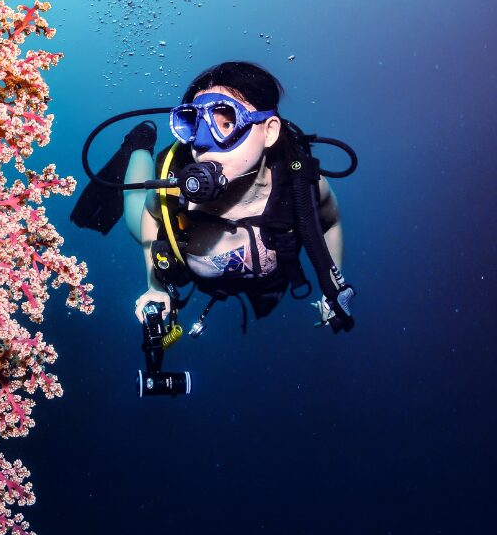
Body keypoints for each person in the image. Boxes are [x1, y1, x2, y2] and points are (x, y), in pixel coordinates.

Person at [72, 61, 354, 335]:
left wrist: (334, 285)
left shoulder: (302, 187)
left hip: (262, 281)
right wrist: (154, 285)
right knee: (134, 200)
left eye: (227, 123)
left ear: (269, 131)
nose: (203, 142)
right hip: (178, 247)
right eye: (194, 124)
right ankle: (140, 144)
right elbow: (149, 214)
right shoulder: (175, 194)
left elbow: (330, 222)